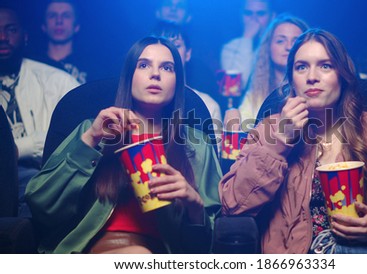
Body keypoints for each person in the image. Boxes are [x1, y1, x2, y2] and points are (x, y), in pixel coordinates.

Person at [219, 28, 367, 254]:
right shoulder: (268, 130)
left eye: (325, 66)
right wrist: (279, 140)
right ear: (292, 80)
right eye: (301, 67)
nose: (312, 77)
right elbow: (233, 204)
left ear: (343, 75)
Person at [25, 36, 222, 254]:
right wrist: (90, 140)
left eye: (167, 68)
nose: (155, 74)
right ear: (129, 77)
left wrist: (193, 203)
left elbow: (208, 245)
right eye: (144, 65)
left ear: (177, 82)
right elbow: (41, 204)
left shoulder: (197, 146)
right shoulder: (93, 132)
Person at [0, 4, 79, 217]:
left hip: (45, 180)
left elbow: (76, 136)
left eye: (11, 29)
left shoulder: (57, 80)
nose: (2, 37)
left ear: (25, 36)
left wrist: (15, 150)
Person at [150, 20, 222, 144]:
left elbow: (212, 160)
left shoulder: (208, 105)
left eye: (176, 45)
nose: (168, 51)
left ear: (188, 54)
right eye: (163, 45)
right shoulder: (138, 102)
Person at [238, 13, 308, 125]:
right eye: (280, 41)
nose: (288, 47)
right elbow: (244, 131)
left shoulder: (313, 89)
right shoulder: (256, 93)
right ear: (268, 47)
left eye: (295, 42)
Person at [31, 0, 91, 84]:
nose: (59, 21)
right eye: (52, 16)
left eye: (66, 16)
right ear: (44, 26)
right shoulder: (32, 64)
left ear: (76, 26)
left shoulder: (90, 65)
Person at [220, 0, 275, 89]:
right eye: (248, 13)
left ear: (272, 16)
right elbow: (234, 86)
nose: (254, 19)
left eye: (260, 14)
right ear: (241, 16)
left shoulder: (280, 46)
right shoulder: (230, 47)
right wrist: (247, 38)